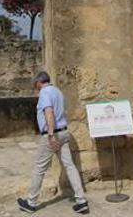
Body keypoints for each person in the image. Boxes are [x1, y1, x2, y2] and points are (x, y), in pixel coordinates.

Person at [18, 72, 89, 214]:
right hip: (63, 132)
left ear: (39, 82)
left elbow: (49, 113)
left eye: (35, 83)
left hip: (52, 134)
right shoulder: (58, 91)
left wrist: (51, 135)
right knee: (69, 166)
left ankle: (31, 202)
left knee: (40, 167)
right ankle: (81, 200)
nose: (35, 86)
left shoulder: (44, 93)